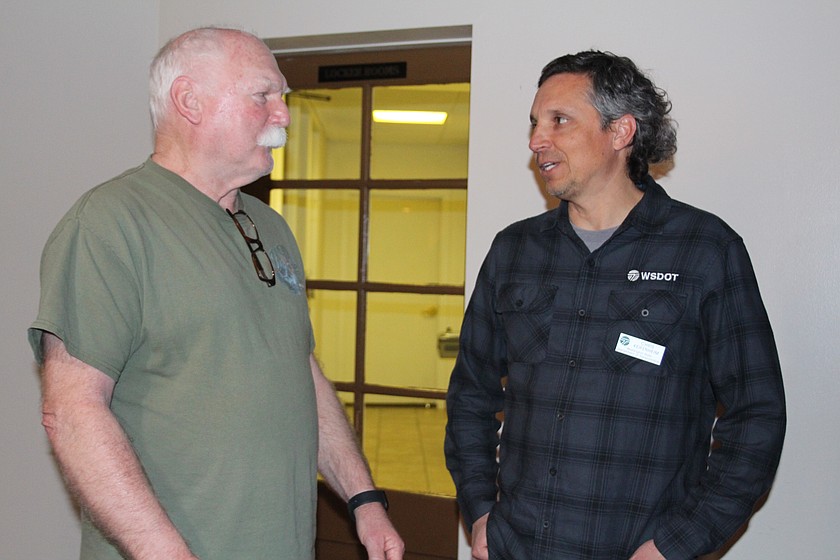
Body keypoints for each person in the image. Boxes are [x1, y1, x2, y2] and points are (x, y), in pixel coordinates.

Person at [29, 27, 404, 560]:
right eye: (262, 96)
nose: (283, 115)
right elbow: (72, 412)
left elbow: (298, 369)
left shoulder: (271, 228)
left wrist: (364, 499)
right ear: (189, 101)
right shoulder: (109, 225)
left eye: (283, 98)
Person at [444, 50, 786, 560]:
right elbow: (470, 395)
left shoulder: (705, 249)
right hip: (518, 544)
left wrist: (676, 545)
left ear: (621, 131)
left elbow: (756, 414)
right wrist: (481, 511)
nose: (538, 140)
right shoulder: (514, 251)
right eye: (535, 123)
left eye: (559, 121)